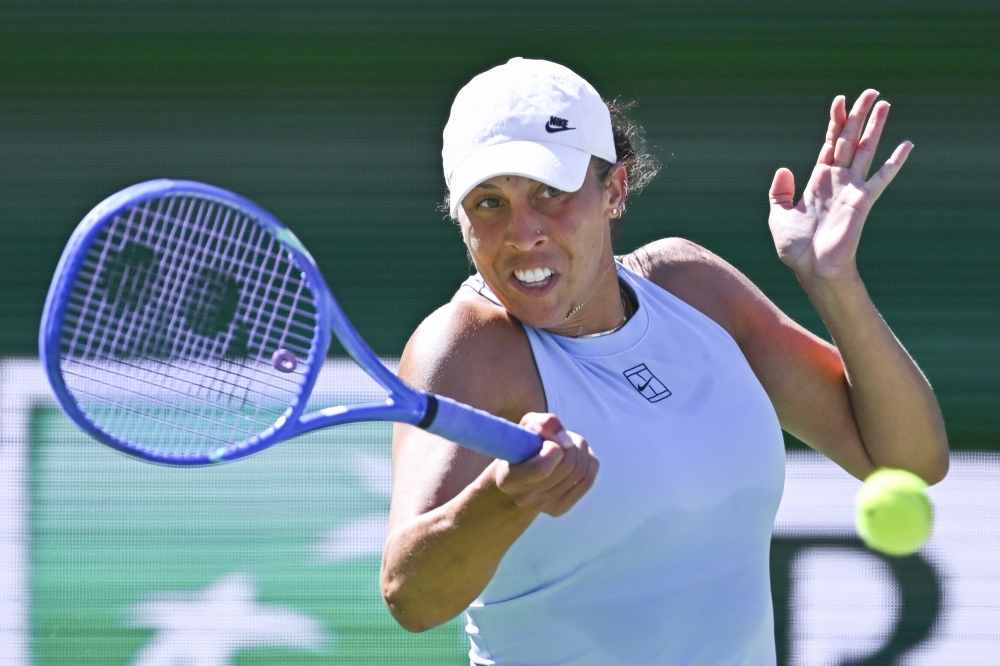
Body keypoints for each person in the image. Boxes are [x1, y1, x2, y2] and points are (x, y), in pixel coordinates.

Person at [380, 57, 949, 665]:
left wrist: (833, 280)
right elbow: (411, 598)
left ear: (614, 189)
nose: (523, 233)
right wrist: (505, 495)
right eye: (488, 203)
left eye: (550, 191)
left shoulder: (692, 287)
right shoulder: (468, 347)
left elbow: (908, 459)